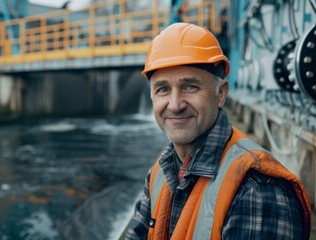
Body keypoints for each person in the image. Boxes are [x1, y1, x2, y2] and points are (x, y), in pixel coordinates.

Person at [125, 23, 311, 240]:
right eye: (163, 89)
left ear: (221, 94)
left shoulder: (257, 188)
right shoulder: (160, 172)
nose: (175, 105)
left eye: (190, 86)